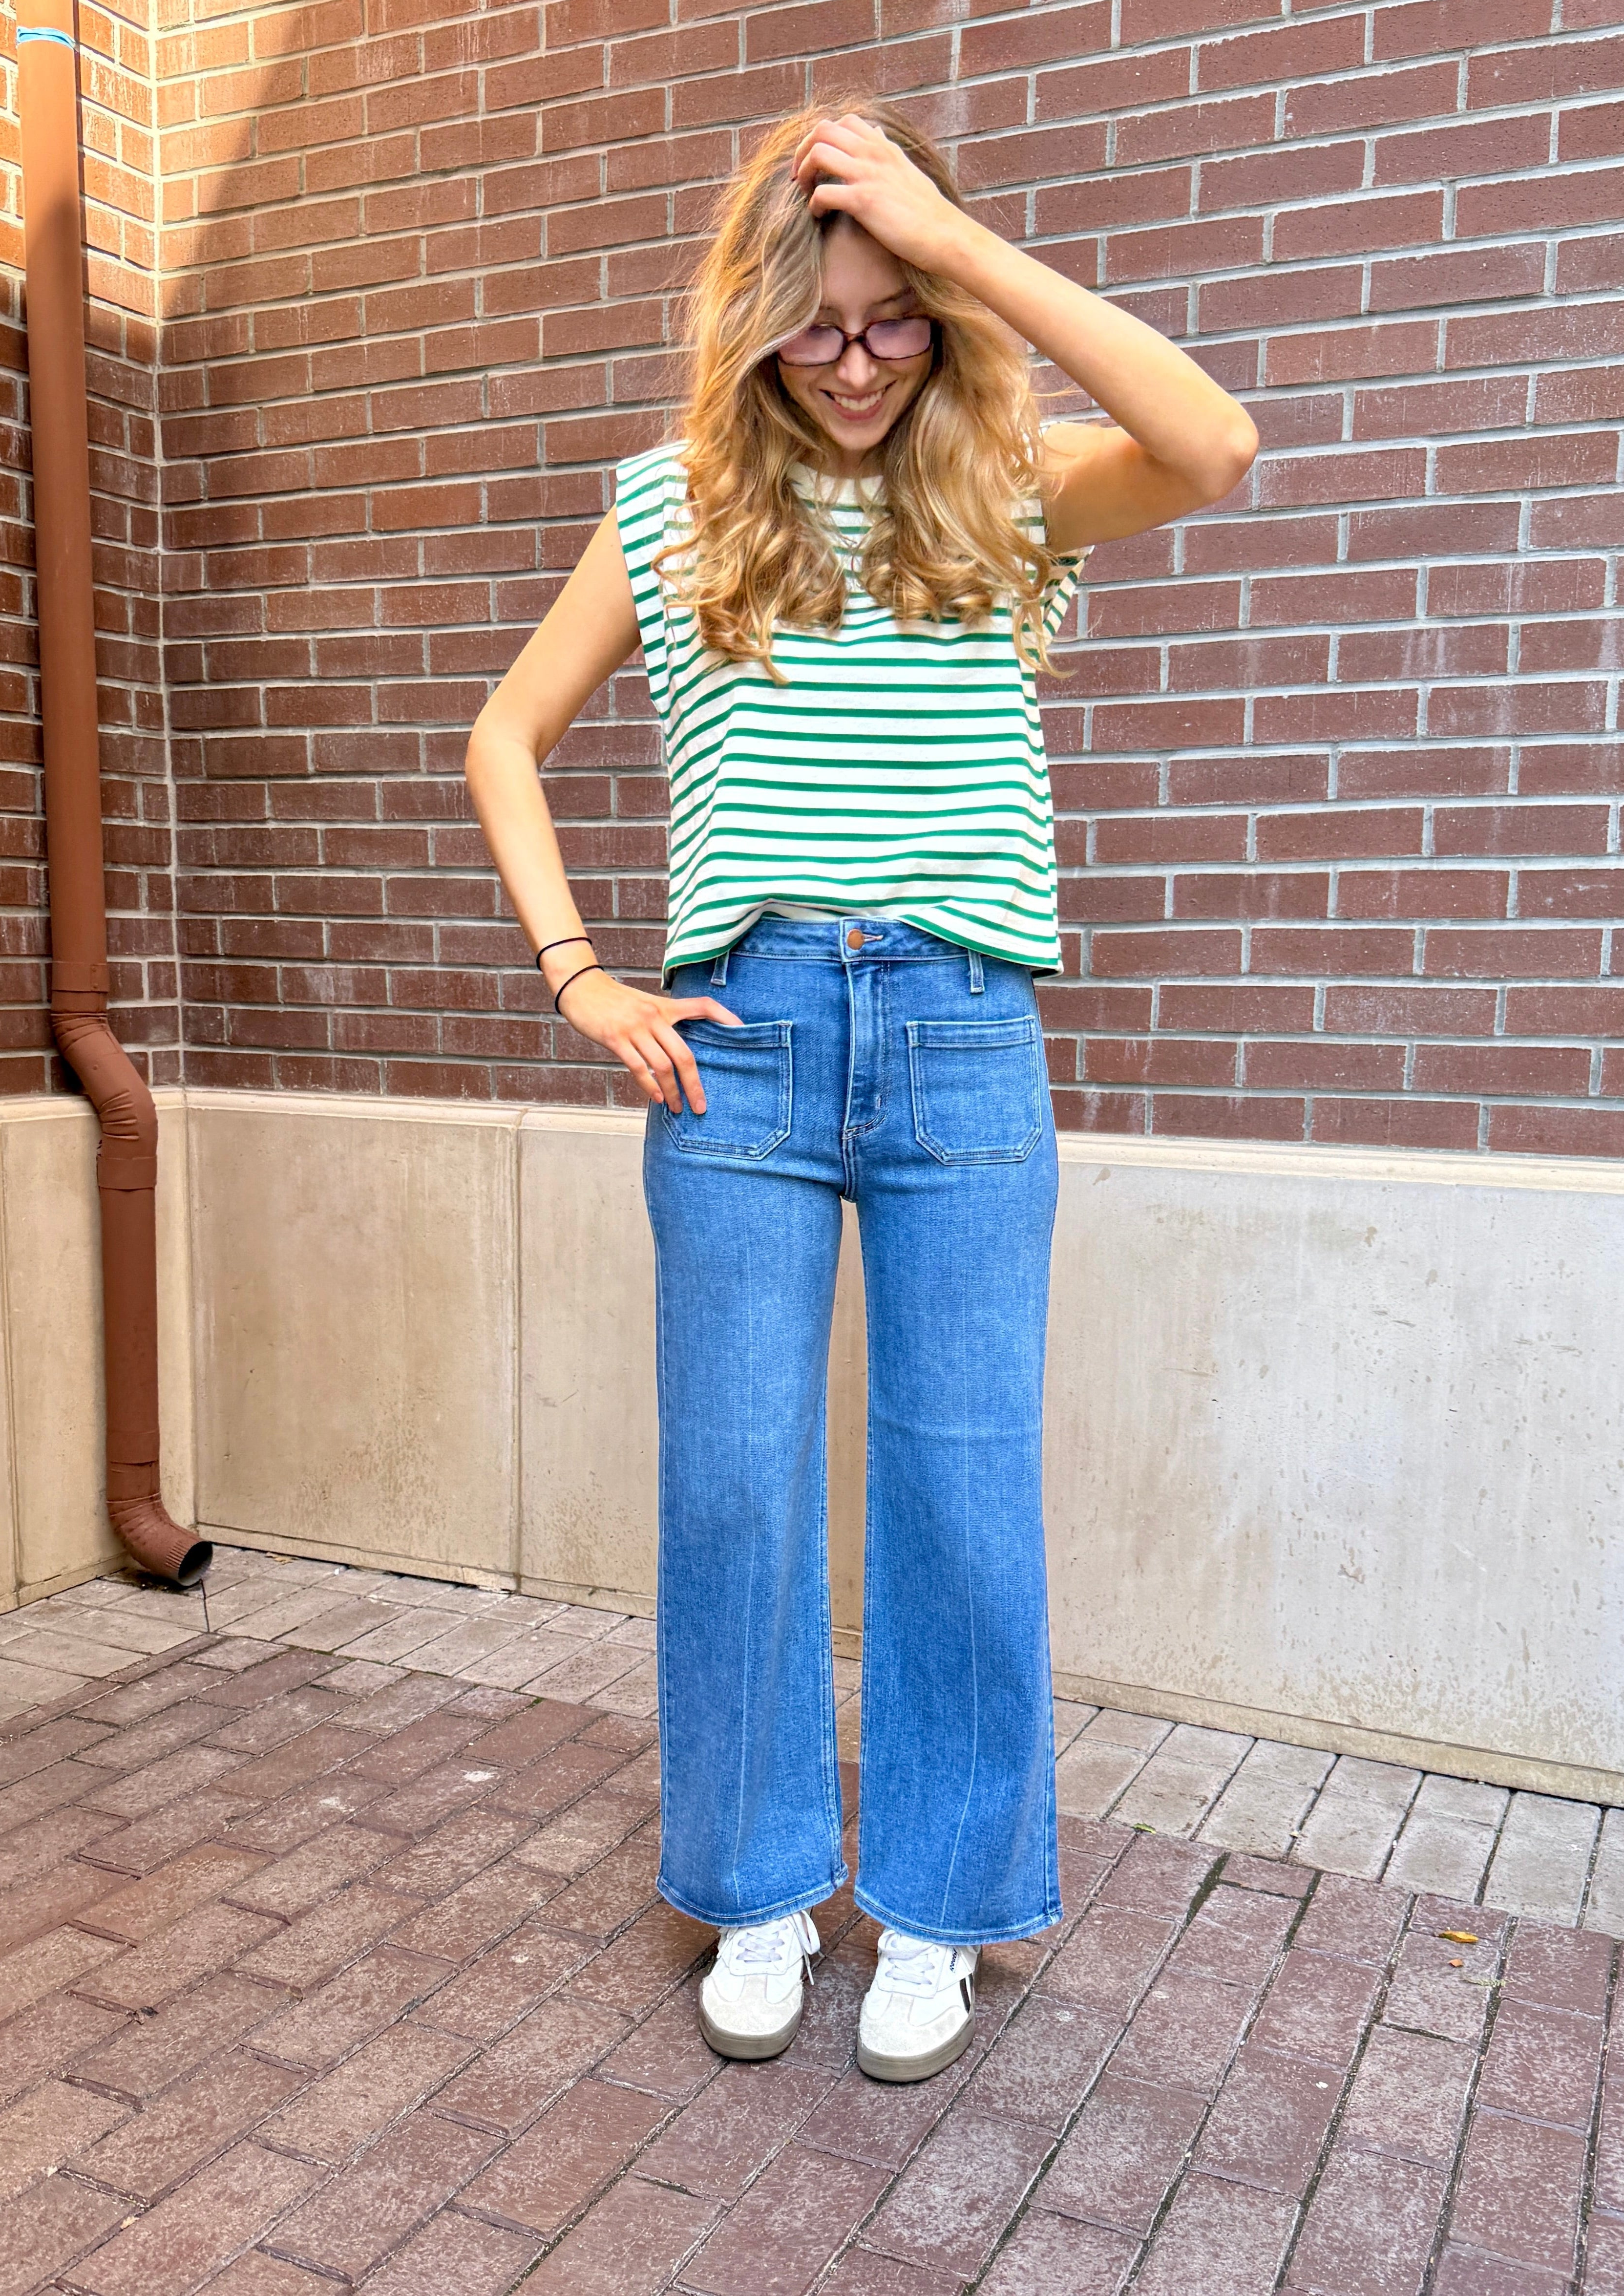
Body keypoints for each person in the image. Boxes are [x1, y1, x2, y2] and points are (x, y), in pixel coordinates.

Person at [466, 102, 1257, 2082]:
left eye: (892, 320)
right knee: (734, 1487)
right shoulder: (666, 507)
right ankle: (749, 1888)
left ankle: (932, 1911)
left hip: (963, 1031)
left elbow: (1213, 443)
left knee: (960, 1490)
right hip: (738, 1041)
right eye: (816, 327)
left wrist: (958, 249)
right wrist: (582, 976)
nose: (854, 361)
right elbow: (504, 731)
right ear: (749, 328)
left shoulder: (1002, 493)